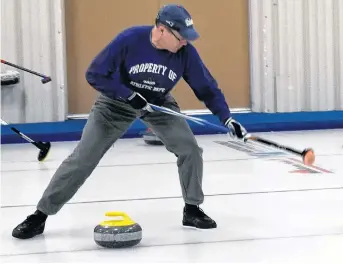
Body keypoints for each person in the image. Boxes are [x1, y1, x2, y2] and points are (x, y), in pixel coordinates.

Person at [12, 4, 247, 239]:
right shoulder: (130, 39)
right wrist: (128, 95)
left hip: (157, 103)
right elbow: (95, 74)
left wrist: (227, 118)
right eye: (181, 37)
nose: (185, 42)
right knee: (84, 158)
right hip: (115, 103)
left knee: (190, 149)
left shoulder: (186, 53)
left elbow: (206, 87)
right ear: (162, 30)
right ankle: (40, 215)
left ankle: (192, 209)